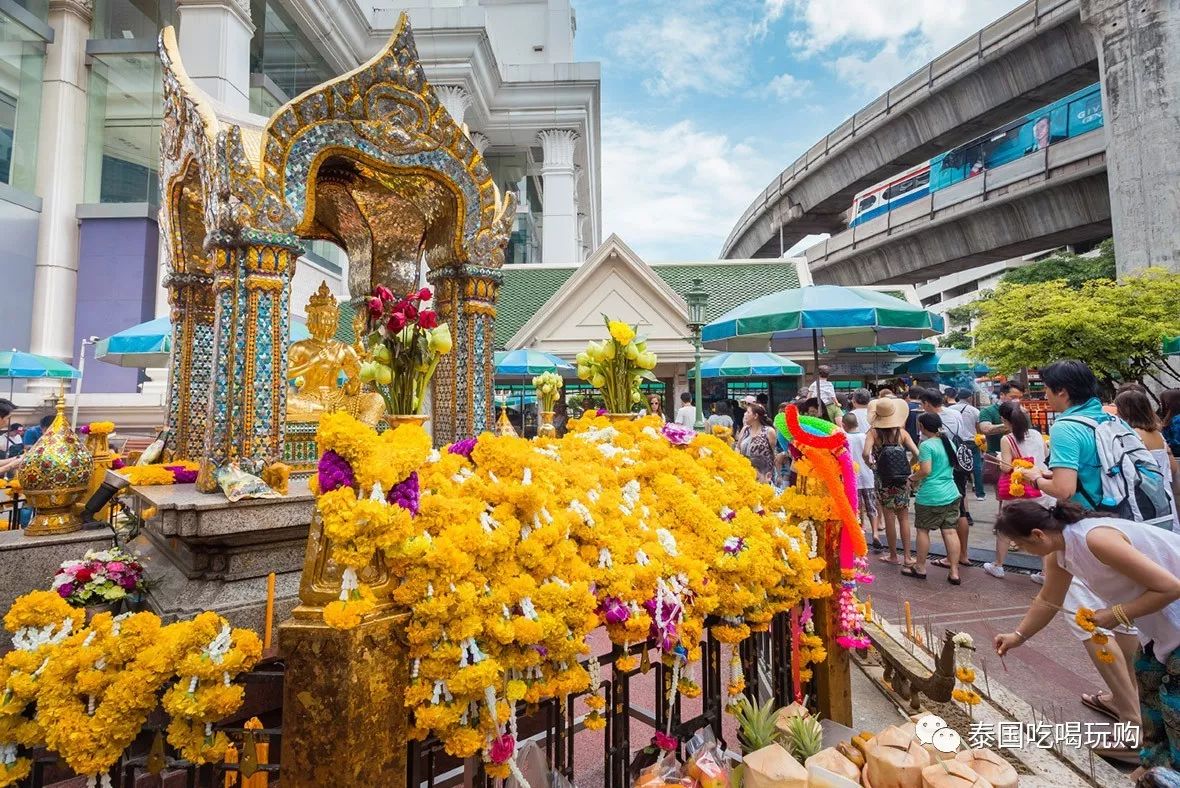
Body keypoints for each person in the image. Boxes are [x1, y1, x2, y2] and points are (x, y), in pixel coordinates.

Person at [994, 500, 1180, 770]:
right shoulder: (1060, 553)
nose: (1020, 550)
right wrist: (1018, 636)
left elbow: (1171, 587)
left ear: (1037, 534)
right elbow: (1048, 599)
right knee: (1148, 684)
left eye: (1020, 545)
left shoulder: (1096, 539)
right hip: (1158, 629)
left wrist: (1114, 614)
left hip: (1173, 618)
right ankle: (1153, 765)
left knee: (1174, 703)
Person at [1017, 360, 1145, 747]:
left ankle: (1132, 723)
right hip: (1129, 529)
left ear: (1063, 393)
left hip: (1086, 533)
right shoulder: (1112, 420)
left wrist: (1034, 477)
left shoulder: (1069, 428)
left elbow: (1064, 489)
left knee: (1087, 623)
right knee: (1125, 620)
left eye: (1048, 391)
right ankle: (1124, 699)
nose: (1046, 398)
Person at [984, 400, 1052, 578]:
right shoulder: (1037, 434)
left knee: (1005, 527)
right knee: (1042, 530)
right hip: (1041, 485)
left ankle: (998, 565)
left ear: (1003, 419)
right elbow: (1044, 455)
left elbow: (1006, 468)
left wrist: (1001, 460)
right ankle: (1045, 573)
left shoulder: (1007, 439)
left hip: (1019, 489)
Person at [905, 412, 965, 583]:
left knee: (923, 530)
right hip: (951, 493)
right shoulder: (949, 443)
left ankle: (921, 567)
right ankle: (954, 571)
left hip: (931, 495)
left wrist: (911, 478)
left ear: (922, 427)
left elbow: (926, 470)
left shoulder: (926, 446)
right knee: (950, 531)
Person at [863, 398, 920, 566]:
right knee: (903, 517)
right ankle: (908, 556)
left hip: (883, 479)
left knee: (888, 517)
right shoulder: (902, 433)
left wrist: (872, 465)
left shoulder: (873, 433)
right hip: (901, 480)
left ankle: (893, 555)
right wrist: (908, 467)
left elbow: (866, 453)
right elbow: (917, 453)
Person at [920, 388, 972, 569]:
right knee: (961, 511)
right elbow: (963, 437)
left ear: (926, 403)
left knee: (941, 524)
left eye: (922, 404)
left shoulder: (927, 423)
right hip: (956, 465)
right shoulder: (956, 414)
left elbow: (924, 451)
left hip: (939, 471)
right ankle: (962, 555)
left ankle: (950, 559)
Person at [1117, 389, 1180, 530]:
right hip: (1165, 494)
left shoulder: (1131, 436)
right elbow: (1174, 468)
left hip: (1146, 498)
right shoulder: (1157, 434)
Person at [843, 412, 883, 550]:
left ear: (843, 425)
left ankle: (860, 535)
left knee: (857, 509)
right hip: (868, 475)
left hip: (852, 478)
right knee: (871, 507)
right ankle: (876, 533)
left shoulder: (844, 438)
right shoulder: (865, 436)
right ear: (857, 424)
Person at [949, 387, 984, 500]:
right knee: (976, 467)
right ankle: (980, 494)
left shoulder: (950, 409)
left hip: (956, 442)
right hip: (971, 441)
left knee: (956, 467)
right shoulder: (974, 411)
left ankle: (957, 490)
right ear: (969, 397)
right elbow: (979, 428)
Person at [737, 404, 777, 483]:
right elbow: (738, 447)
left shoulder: (769, 431)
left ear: (755, 416)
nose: (745, 414)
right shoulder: (745, 430)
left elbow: (773, 452)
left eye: (748, 412)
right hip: (745, 471)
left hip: (763, 474)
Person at [1159, 389, 1180, 461]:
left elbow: (1177, 443)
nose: (1160, 404)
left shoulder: (1177, 420)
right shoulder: (1171, 418)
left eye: (1161, 402)